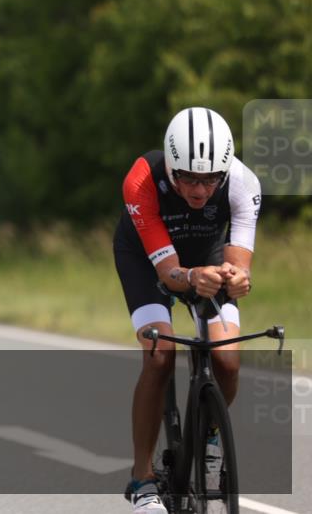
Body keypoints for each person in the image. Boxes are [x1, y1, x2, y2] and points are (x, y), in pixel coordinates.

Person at [114, 107, 261, 513]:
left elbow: (238, 263)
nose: (200, 190)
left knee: (227, 360)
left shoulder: (243, 183)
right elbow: (168, 272)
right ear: (171, 166)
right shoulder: (141, 180)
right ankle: (142, 479)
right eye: (190, 179)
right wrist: (192, 276)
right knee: (160, 355)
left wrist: (238, 278)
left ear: (225, 170)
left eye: (211, 178)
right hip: (146, 260)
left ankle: (209, 440)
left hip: (207, 256)